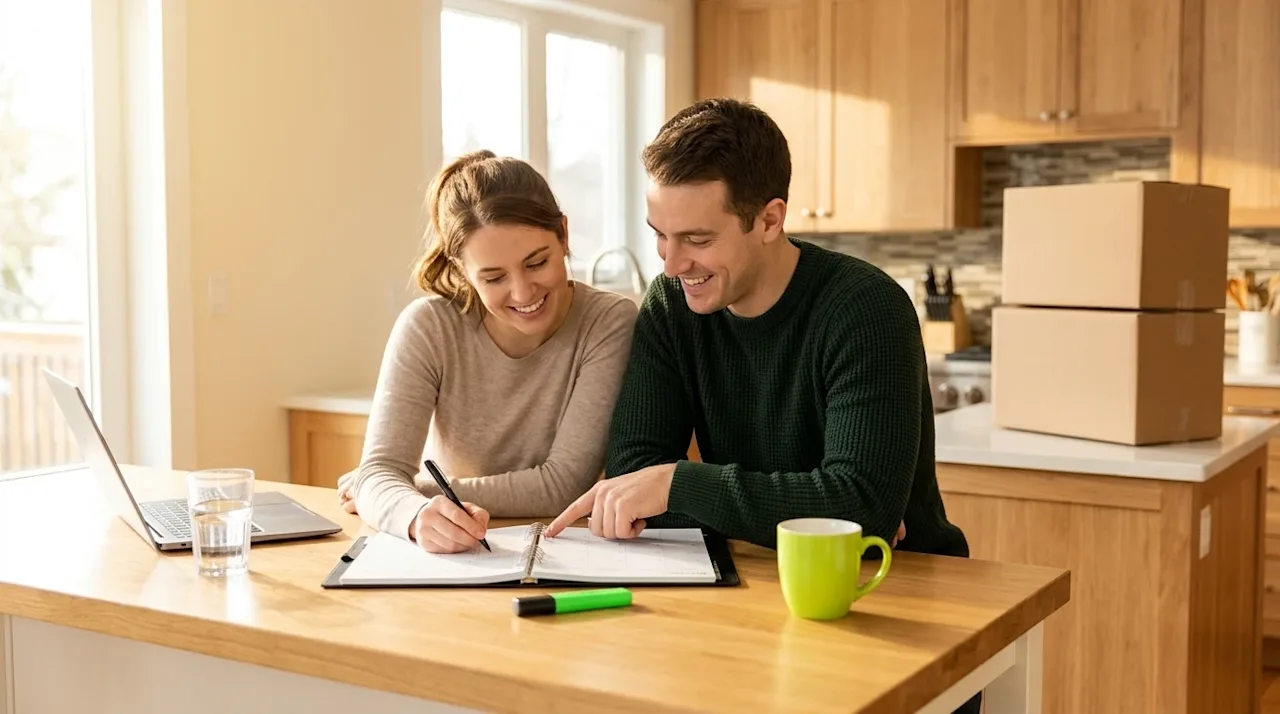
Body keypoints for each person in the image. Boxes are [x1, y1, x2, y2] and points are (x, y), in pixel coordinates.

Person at [545, 96, 969, 559]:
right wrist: (819, 511)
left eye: (698, 239)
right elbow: (633, 483)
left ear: (769, 220)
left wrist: (677, 483)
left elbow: (862, 509)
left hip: (900, 582)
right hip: (762, 574)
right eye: (660, 235)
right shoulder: (671, 305)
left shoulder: (866, 308)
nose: (670, 265)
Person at [339, 149, 638, 555]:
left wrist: (412, 489)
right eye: (494, 277)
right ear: (462, 270)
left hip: (562, 551)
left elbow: (563, 484)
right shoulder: (429, 327)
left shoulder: (608, 321)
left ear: (564, 235)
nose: (523, 292)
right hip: (457, 555)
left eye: (537, 263)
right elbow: (380, 470)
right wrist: (413, 515)